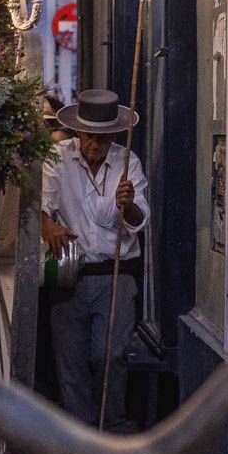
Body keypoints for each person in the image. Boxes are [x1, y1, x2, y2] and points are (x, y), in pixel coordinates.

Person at [40, 89, 149, 430]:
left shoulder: (127, 161)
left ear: (113, 135)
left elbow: (139, 217)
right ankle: (79, 435)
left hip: (116, 274)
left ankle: (111, 424)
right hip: (70, 273)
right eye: (89, 137)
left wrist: (127, 203)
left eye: (102, 139)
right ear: (78, 133)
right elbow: (39, 209)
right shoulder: (56, 157)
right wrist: (50, 226)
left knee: (109, 355)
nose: (94, 145)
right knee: (70, 360)